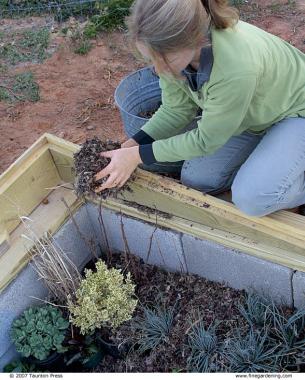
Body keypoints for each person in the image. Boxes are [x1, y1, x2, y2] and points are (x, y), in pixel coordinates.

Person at [94, 0, 305, 218]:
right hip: (255, 114)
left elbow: (205, 141)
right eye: (151, 59)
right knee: (199, 179)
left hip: (296, 112)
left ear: (193, 39)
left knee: (252, 199)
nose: (157, 69)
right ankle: (271, 159)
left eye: (163, 59)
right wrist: (132, 144)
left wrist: (137, 156)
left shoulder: (235, 66)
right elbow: (175, 111)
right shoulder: (172, 58)